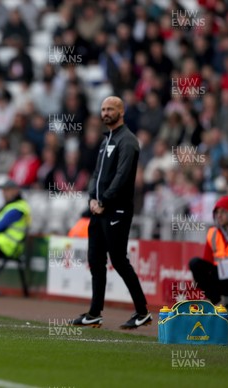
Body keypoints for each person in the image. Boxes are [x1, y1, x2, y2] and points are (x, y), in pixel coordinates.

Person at [72, 96, 151, 329]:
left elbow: (123, 176)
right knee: (95, 260)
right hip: (99, 210)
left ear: (121, 111)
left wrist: (104, 200)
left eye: (110, 109)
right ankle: (95, 312)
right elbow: (96, 174)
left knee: (118, 260)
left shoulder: (128, 141)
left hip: (117, 210)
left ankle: (142, 311)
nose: (105, 113)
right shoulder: (107, 139)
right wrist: (92, 199)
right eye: (103, 109)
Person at [189, 196, 228, 322]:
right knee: (195, 263)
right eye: (217, 212)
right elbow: (207, 261)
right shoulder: (213, 233)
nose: (219, 215)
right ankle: (218, 305)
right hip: (221, 278)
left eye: (223, 212)